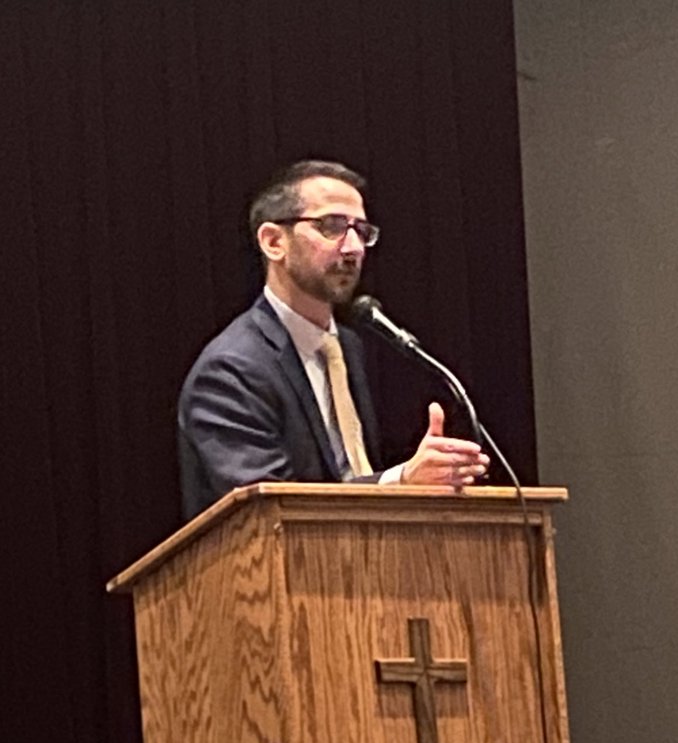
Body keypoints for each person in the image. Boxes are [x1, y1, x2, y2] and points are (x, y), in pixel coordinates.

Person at [177, 160, 489, 520]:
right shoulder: (229, 371)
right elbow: (274, 511)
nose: (353, 247)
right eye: (333, 226)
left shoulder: (347, 348)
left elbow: (348, 475)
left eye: (361, 231)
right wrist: (400, 481)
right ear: (274, 242)